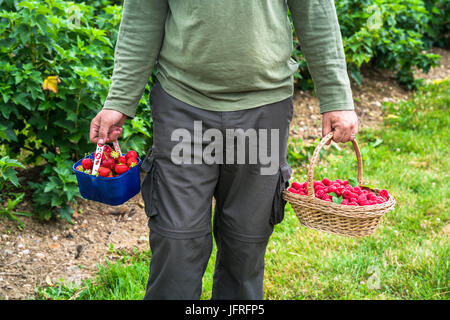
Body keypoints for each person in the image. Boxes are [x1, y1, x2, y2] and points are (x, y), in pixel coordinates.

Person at [89, 0, 359, 300]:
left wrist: (336, 97)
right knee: (177, 240)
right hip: (183, 108)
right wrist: (119, 100)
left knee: (246, 243)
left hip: (263, 110)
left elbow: (315, 9)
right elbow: (142, 14)